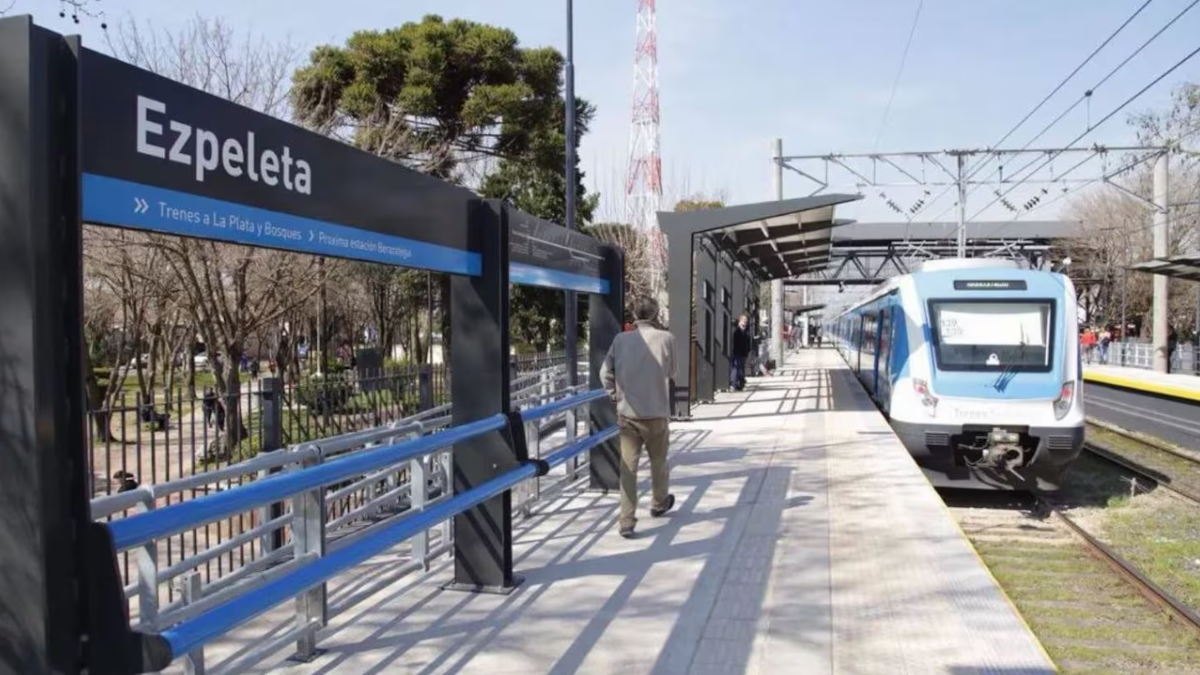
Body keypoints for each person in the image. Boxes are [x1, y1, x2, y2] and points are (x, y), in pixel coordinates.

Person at [600, 296, 677, 539]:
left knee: (628, 469)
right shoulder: (667, 339)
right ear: (655, 315)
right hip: (656, 412)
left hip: (628, 414)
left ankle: (626, 521)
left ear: (634, 314)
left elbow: (605, 372)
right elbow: (672, 371)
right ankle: (658, 502)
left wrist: (613, 394)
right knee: (658, 462)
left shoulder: (620, 340)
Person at [731, 314, 753, 391]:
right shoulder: (736, 331)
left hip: (744, 352)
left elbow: (748, 341)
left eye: (746, 321)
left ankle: (740, 383)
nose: (745, 323)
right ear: (740, 321)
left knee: (741, 368)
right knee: (736, 367)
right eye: (744, 321)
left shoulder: (746, 331)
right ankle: (734, 383)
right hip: (737, 351)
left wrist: (748, 350)